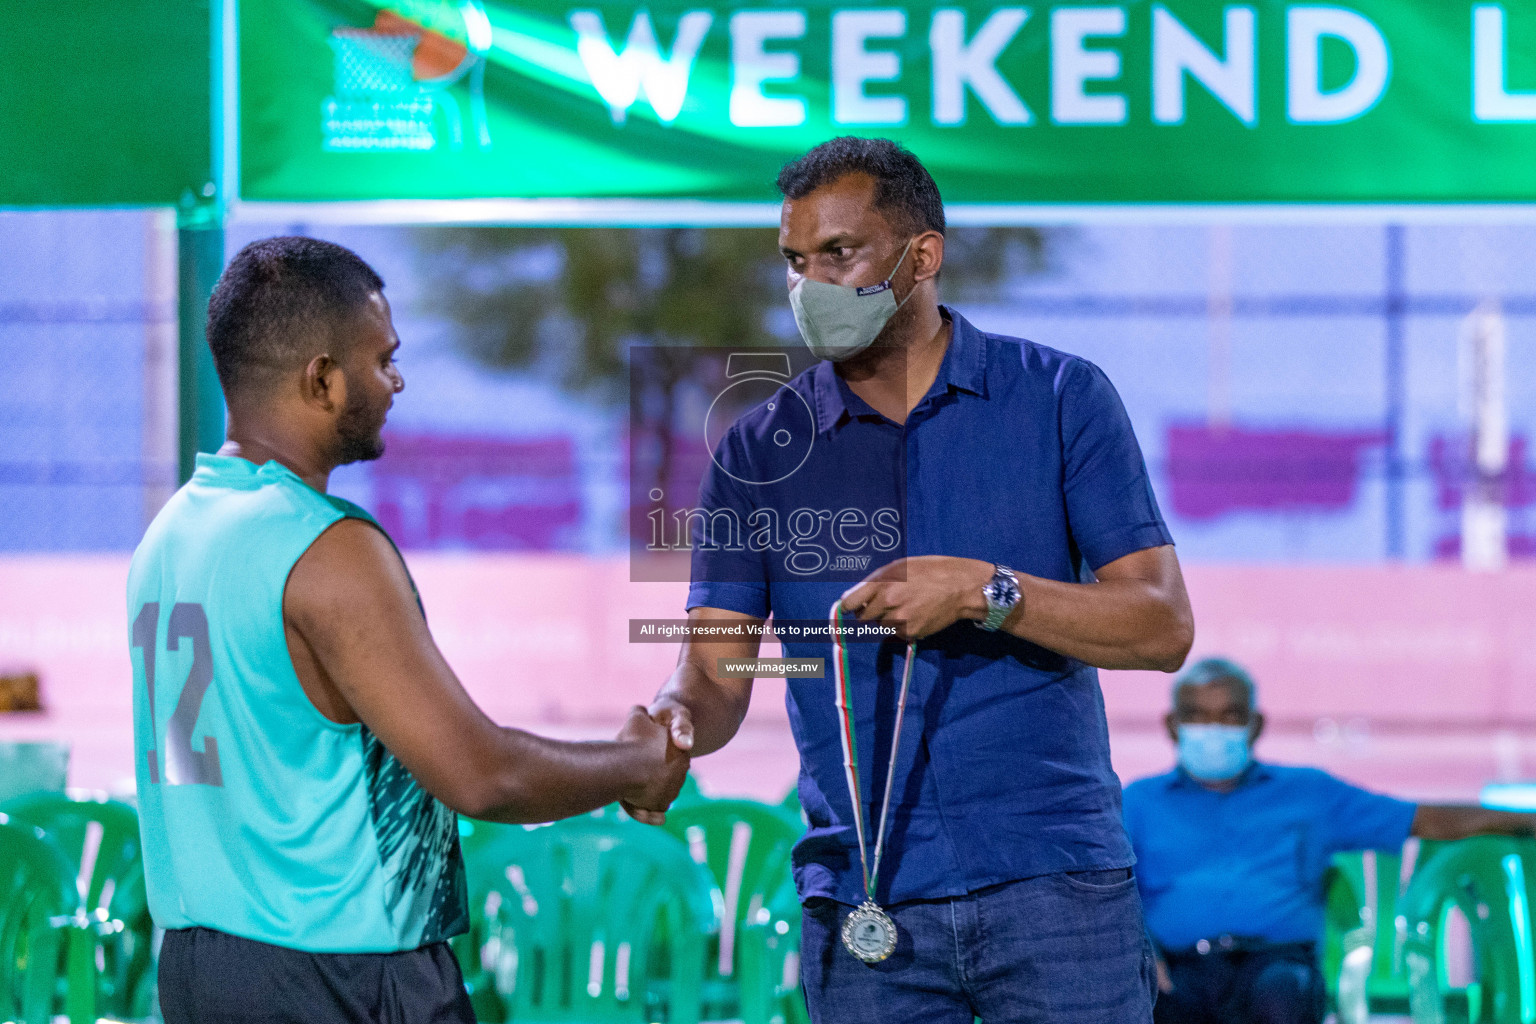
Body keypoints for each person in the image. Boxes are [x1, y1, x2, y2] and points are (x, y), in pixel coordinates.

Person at [631, 137, 1194, 1023]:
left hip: (1055, 888)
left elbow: (1161, 627)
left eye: (838, 254)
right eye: (795, 260)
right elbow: (717, 669)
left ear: (921, 256)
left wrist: (986, 593)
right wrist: (674, 721)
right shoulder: (756, 448)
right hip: (863, 897)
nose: (809, 285)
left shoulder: (1058, 399)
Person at [127, 237, 688, 1024]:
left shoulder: (172, 533)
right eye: (382, 358)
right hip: (344, 977)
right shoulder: (325, 546)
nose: (397, 380)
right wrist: (638, 764)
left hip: (201, 971)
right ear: (322, 378)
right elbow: (480, 773)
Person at [1123, 657, 1536, 1024]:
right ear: (1173, 726)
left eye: (1229, 716)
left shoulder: (1310, 794)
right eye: (1198, 716)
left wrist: (1525, 820)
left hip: (1278, 965)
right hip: (1173, 970)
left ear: (1255, 725)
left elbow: (1424, 818)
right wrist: (1144, 952)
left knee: (1283, 997)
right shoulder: (1136, 803)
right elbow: (1112, 890)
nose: (1213, 730)